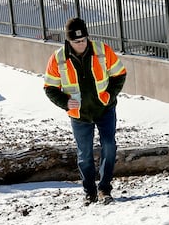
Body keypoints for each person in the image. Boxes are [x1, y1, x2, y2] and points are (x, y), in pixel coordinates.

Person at [44, 17, 127, 206]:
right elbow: (49, 87)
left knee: (109, 146)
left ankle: (105, 189)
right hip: (79, 115)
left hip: (105, 109)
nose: (81, 44)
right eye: (76, 42)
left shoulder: (102, 50)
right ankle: (89, 192)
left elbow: (119, 74)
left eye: (83, 40)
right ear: (68, 41)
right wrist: (65, 103)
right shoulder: (58, 58)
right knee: (85, 155)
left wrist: (110, 95)